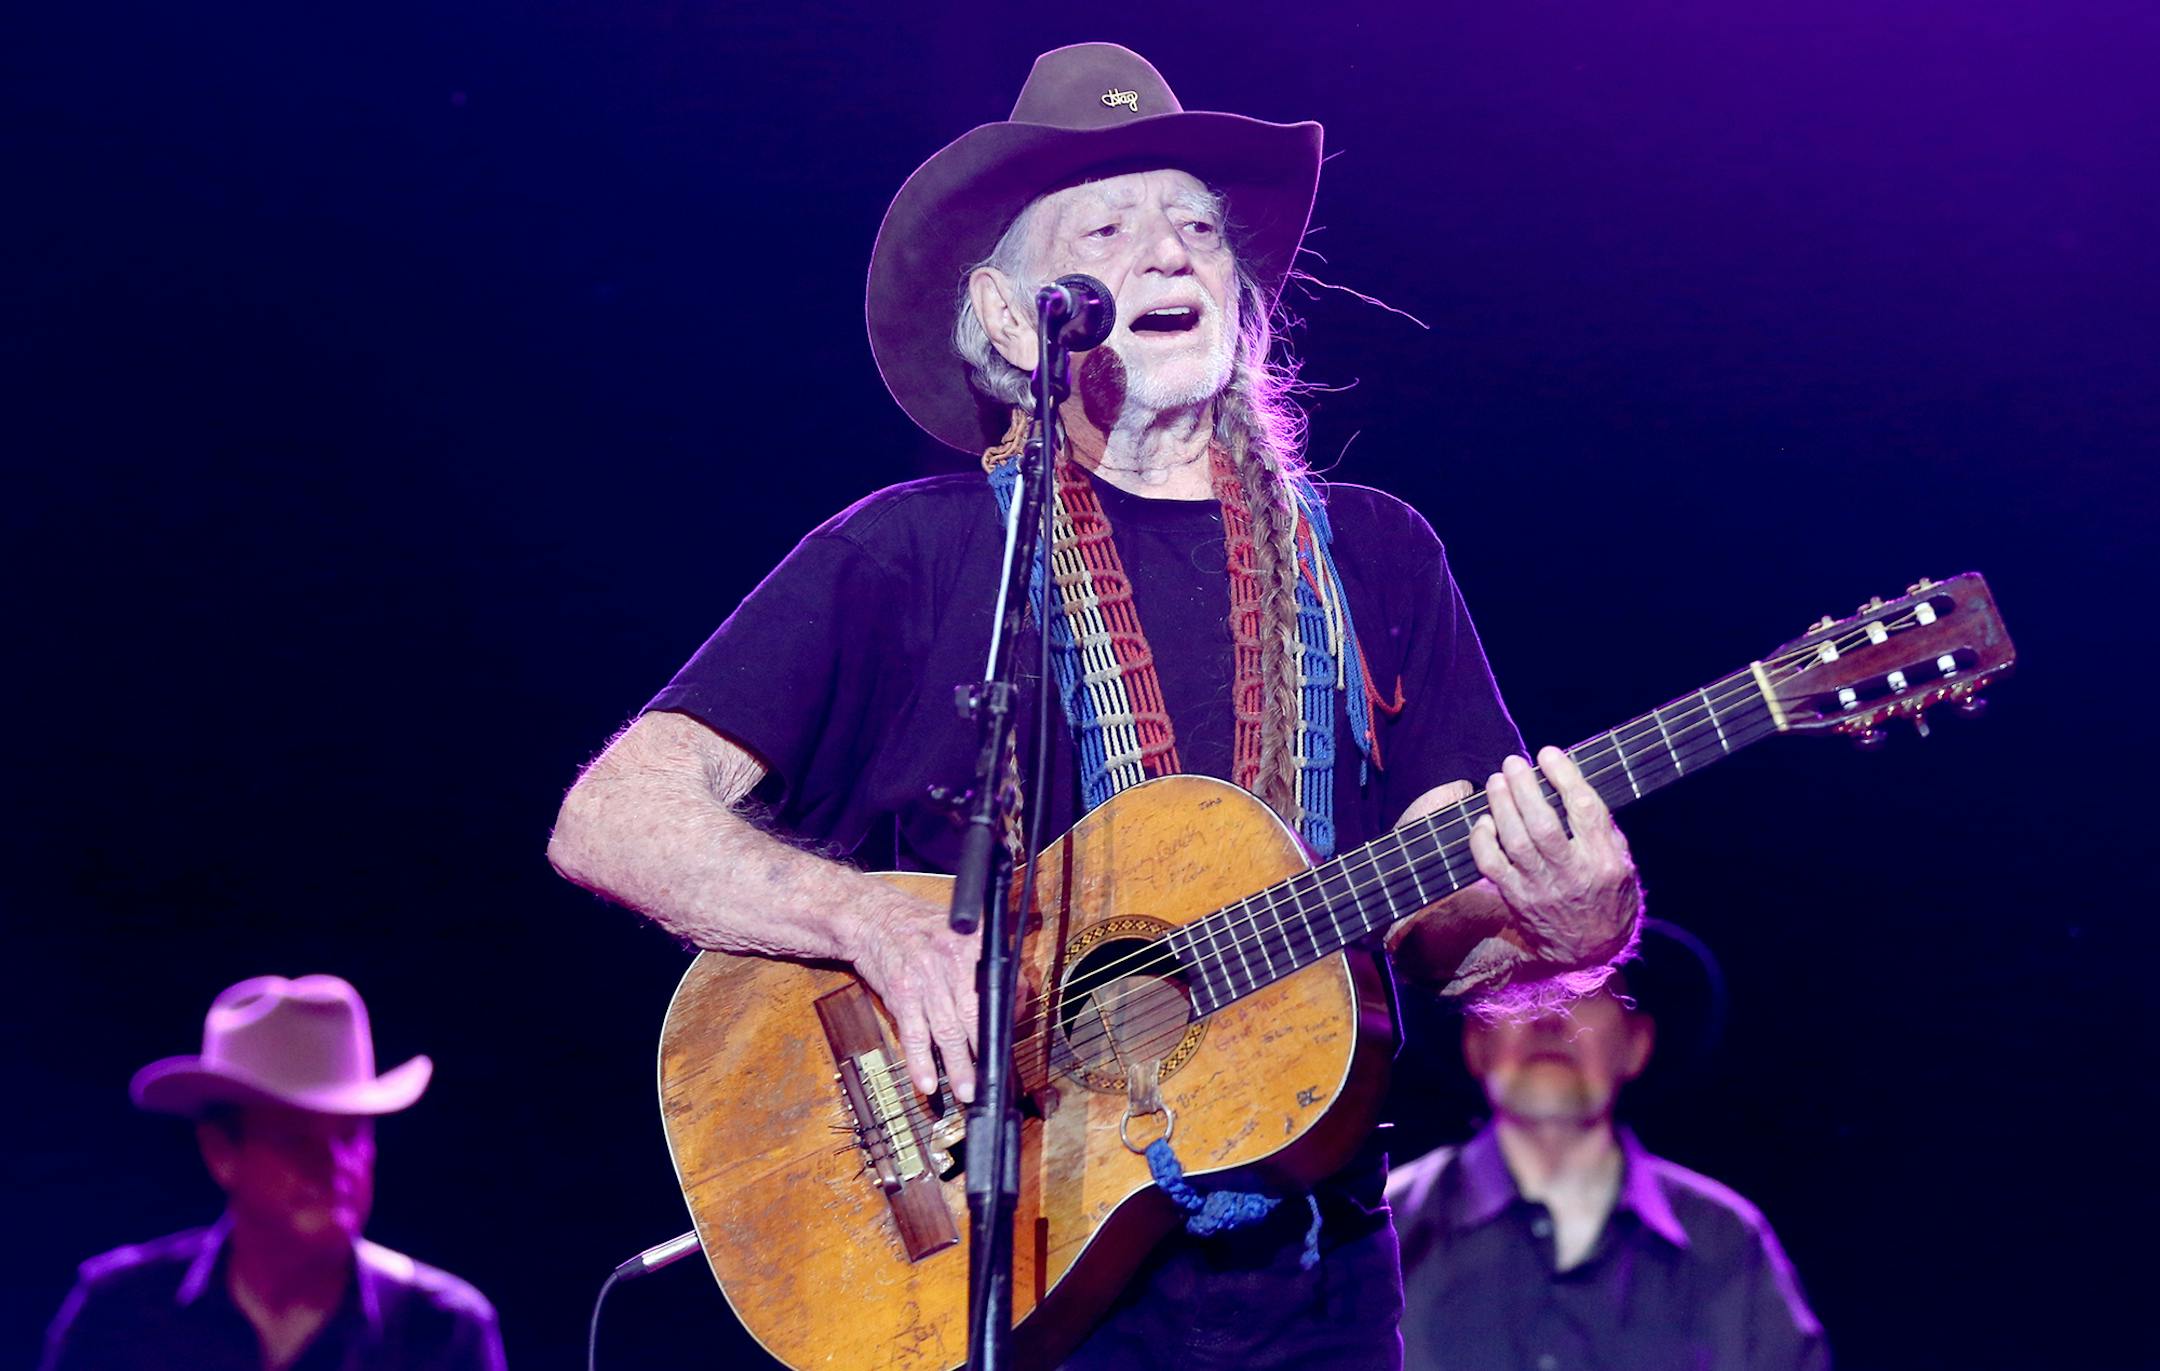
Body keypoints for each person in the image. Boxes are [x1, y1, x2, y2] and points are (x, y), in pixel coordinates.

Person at [547, 41, 1641, 1369]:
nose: (1172, 252)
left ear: (1242, 298)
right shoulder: (908, 552)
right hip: (990, 1265)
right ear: (1014, 320)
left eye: (1197, 227)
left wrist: (1571, 929)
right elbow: (614, 816)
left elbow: (1432, 931)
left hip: (1310, 1290)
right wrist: (864, 924)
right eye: (1110, 230)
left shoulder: (1378, 554)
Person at [40, 974, 506, 1371]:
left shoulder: (441, 1329)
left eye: (349, 1136)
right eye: (295, 1138)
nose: (334, 1164)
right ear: (221, 1152)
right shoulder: (120, 1311)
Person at [1386, 970, 1827, 1371]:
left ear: (1637, 1045)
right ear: (1475, 1042)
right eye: (1519, 992)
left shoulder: (1727, 1240)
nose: (1548, 1019)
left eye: (1584, 990)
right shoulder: (1385, 1231)